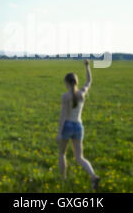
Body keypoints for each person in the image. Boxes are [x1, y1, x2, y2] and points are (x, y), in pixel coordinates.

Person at [56, 59, 100, 190]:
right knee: (79, 157)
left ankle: (63, 179)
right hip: (79, 126)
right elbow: (89, 81)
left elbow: (63, 116)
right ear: (76, 82)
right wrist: (87, 67)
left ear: (66, 83)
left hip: (67, 126)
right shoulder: (82, 94)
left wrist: (59, 133)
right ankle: (93, 176)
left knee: (62, 154)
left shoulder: (65, 96)